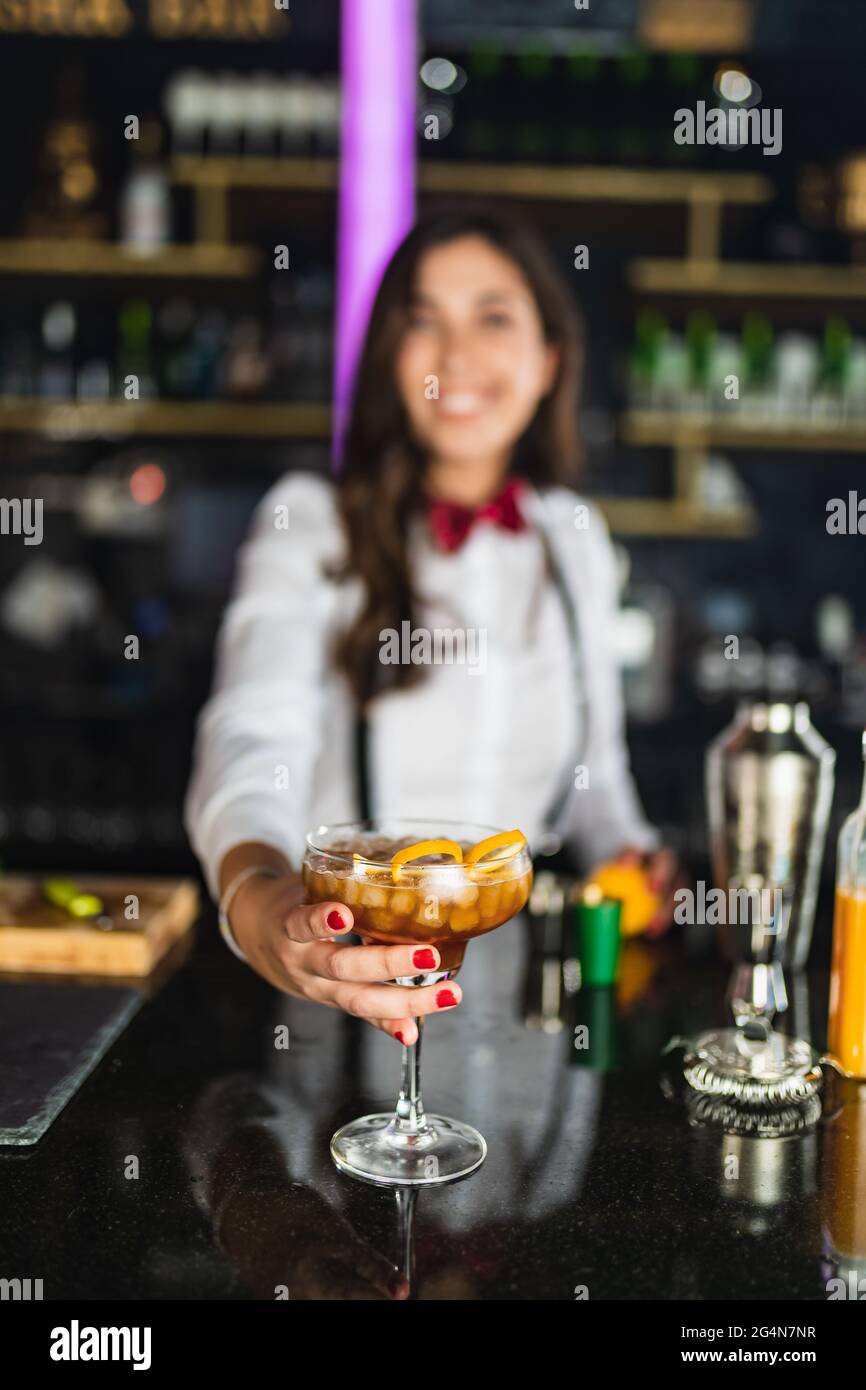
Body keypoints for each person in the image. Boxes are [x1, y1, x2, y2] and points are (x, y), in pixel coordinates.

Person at [185, 206, 677, 1047]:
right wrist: (262, 904)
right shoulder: (310, 522)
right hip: (342, 990)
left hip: (533, 1015)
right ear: (390, 358)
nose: (457, 357)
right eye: (423, 321)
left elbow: (597, 777)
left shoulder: (574, 535)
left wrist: (632, 853)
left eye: (493, 318)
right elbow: (252, 737)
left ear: (550, 357)